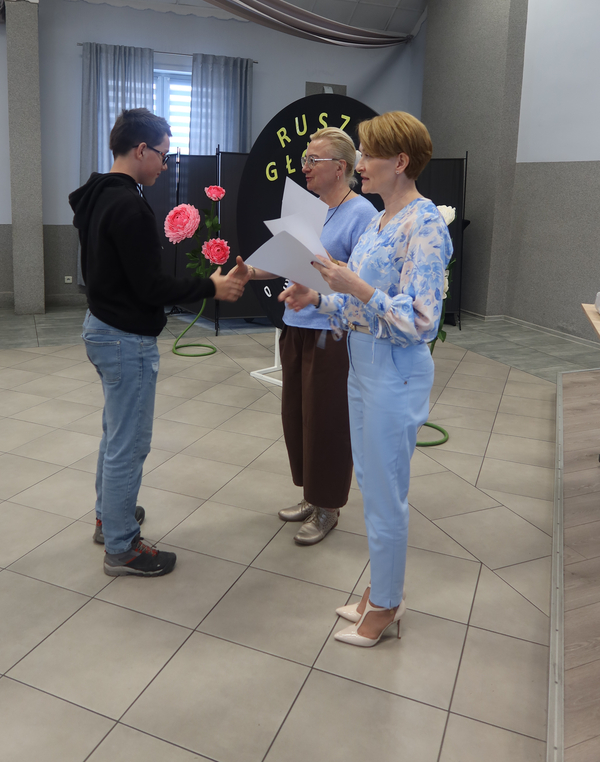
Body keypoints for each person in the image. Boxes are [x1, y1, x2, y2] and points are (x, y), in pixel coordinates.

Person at [280, 112, 452, 643]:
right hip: (362, 364)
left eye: (369, 155)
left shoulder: (424, 222)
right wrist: (319, 298)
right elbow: (358, 308)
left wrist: (354, 286)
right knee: (374, 487)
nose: (361, 164)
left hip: (394, 372)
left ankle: (386, 605)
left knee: (385, 493)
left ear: (400, 162)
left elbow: (421, 320)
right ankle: (381, 590)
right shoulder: (380, 222)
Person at [69, 108, 244, 577]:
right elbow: (149, 286)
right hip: (124, 337)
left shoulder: (98, 194)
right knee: (129, 444)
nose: (166, 166)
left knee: (116, 434)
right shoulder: (129, 205)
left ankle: (110, 517)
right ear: (141, 149)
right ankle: (122, 547)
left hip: (101, 325)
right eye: (164, 156)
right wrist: (210, 287)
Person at [233, 128, 375, 544]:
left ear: (341, 168)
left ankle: (328, 505)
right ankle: (312, 495)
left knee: (327, 421)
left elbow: (362, 279)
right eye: (304, 159)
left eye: (314, 160)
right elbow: (286, 258)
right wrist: (250, 271)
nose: (305, 167)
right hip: (296, 326)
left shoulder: (362, 214)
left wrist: (326, 263)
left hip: (333, 332)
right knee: (298, 417)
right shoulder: (311, 208)